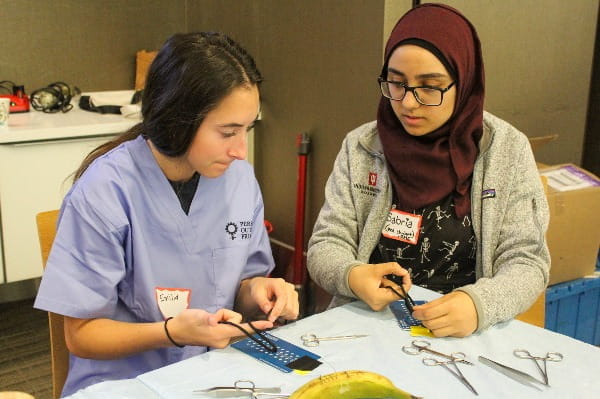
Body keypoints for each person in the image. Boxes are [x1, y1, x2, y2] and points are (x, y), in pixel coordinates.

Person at [34, 32, 299, 397]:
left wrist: (259, 291)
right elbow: (81, 336)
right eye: (228, 132)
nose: (241, 150)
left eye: (247, 129)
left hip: (214, 372)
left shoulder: (237, 180)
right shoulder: (105, 192)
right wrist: (171, 333)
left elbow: (236, 288)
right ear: (178, 121)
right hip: (126, 385)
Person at [307, 3, 549, 338]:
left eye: (429, 87)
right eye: (396, 83)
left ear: (462, 82)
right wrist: (351, 275)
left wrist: (478, 304)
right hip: (369, 327)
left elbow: (527, 262)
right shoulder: (362, 147)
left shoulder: (505, 150)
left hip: (464, 333)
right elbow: (326, 244)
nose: (408, 102)